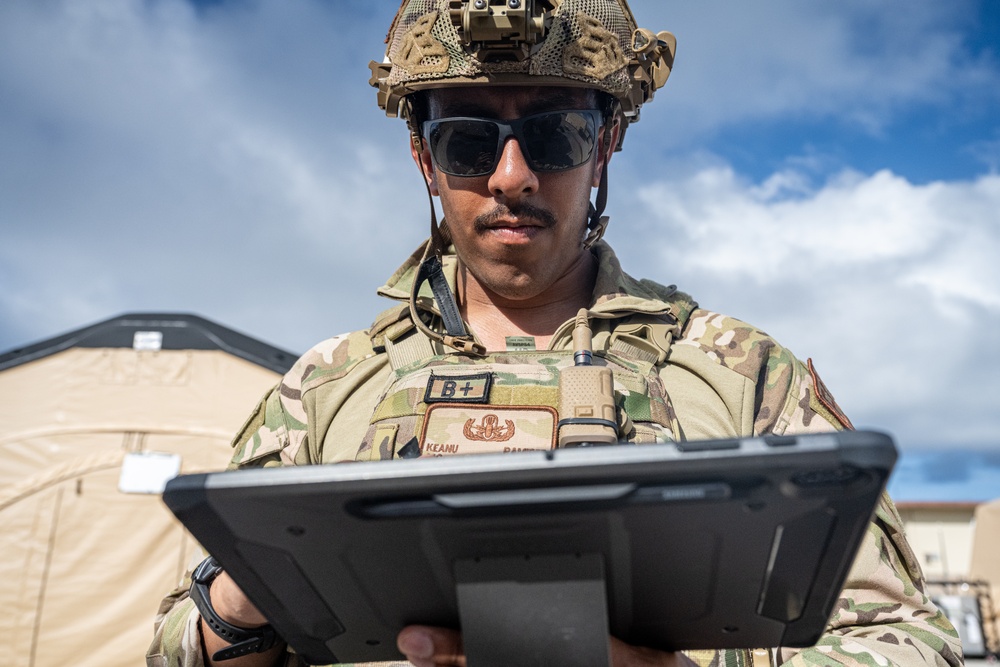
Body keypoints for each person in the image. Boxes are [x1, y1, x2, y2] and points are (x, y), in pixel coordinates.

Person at [148, 2, 963, 666]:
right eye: (466, 140)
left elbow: (913, 644)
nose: (511, 175)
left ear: (606, 142)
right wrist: (248, 596)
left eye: (555, 135)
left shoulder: (740, 375)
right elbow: (170, 651)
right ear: (422, 159)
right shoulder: (325, 391)